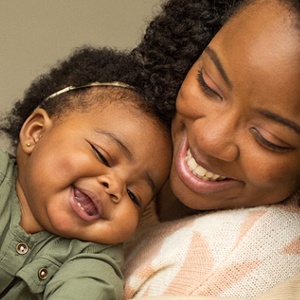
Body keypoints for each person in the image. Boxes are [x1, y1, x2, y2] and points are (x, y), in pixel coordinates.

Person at [123, 0, 300, 299]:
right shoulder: (110, 128)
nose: (210, 139)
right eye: (209, 85)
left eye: (269, 138)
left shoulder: (228, 277)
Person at [0, 46, 172, 299]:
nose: (115, 187)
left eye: (134, 195)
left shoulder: (94, 257)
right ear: (36, 133)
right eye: (103, 156)